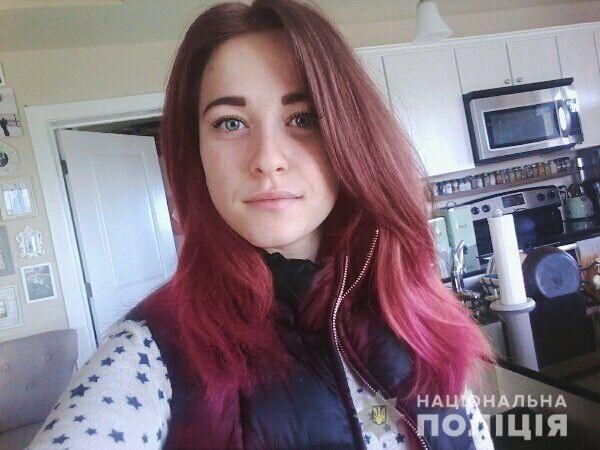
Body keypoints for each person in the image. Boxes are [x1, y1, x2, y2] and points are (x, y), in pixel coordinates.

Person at [27, 0, 496, 449]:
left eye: (302, 117)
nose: (268, 159)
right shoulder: (148, 354)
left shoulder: (412, 310)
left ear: (351, 136)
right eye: (230, 123)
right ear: (196, 153)